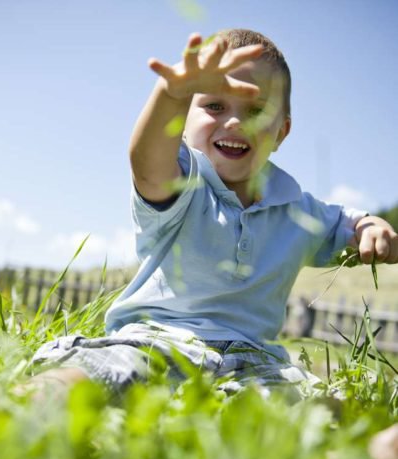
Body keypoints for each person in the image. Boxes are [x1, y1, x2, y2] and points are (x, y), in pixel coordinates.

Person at [28, 29, 398, 401]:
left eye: (256, 110)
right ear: (183, 122)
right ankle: (15, 404)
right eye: (215, 106)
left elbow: (347, 223)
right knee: (104, 373)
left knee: (313, 408)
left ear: (281, 132)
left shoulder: (297, 208)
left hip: (255, 363)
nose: (235, 122)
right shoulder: (184, 181)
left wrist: (371, 226)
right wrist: (172, 95)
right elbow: (147, 165)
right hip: (159, 341)